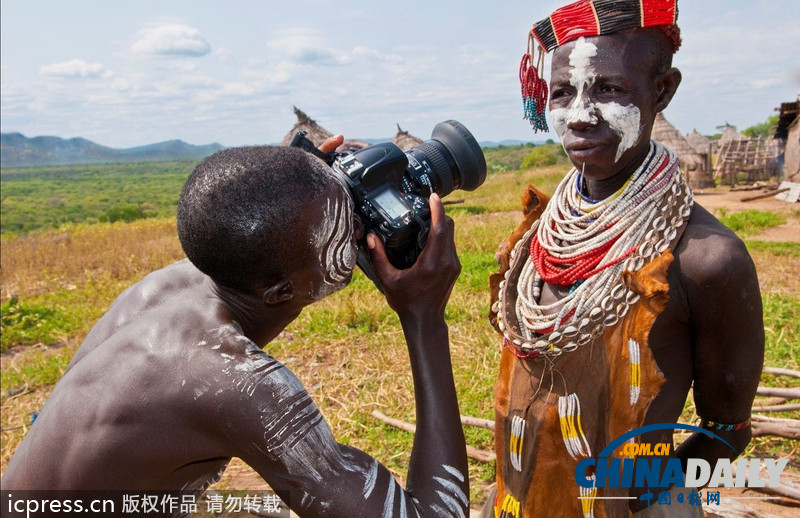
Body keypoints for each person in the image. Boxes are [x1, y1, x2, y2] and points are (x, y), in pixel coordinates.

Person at [1, 136, 470, 517]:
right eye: (344, 226)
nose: (363, 224)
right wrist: (424, 319)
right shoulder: (230, 383)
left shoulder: (167, 288)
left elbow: (264, 242)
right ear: (281, 291)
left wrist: (305, 187)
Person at [485, 1, 764, 516]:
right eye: (562, 92)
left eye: (609, 89)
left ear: (663, 90)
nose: (579, 114)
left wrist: (633, 497)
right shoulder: (537, 232)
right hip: (517, 500)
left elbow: (728, 432)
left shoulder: (706, 260)